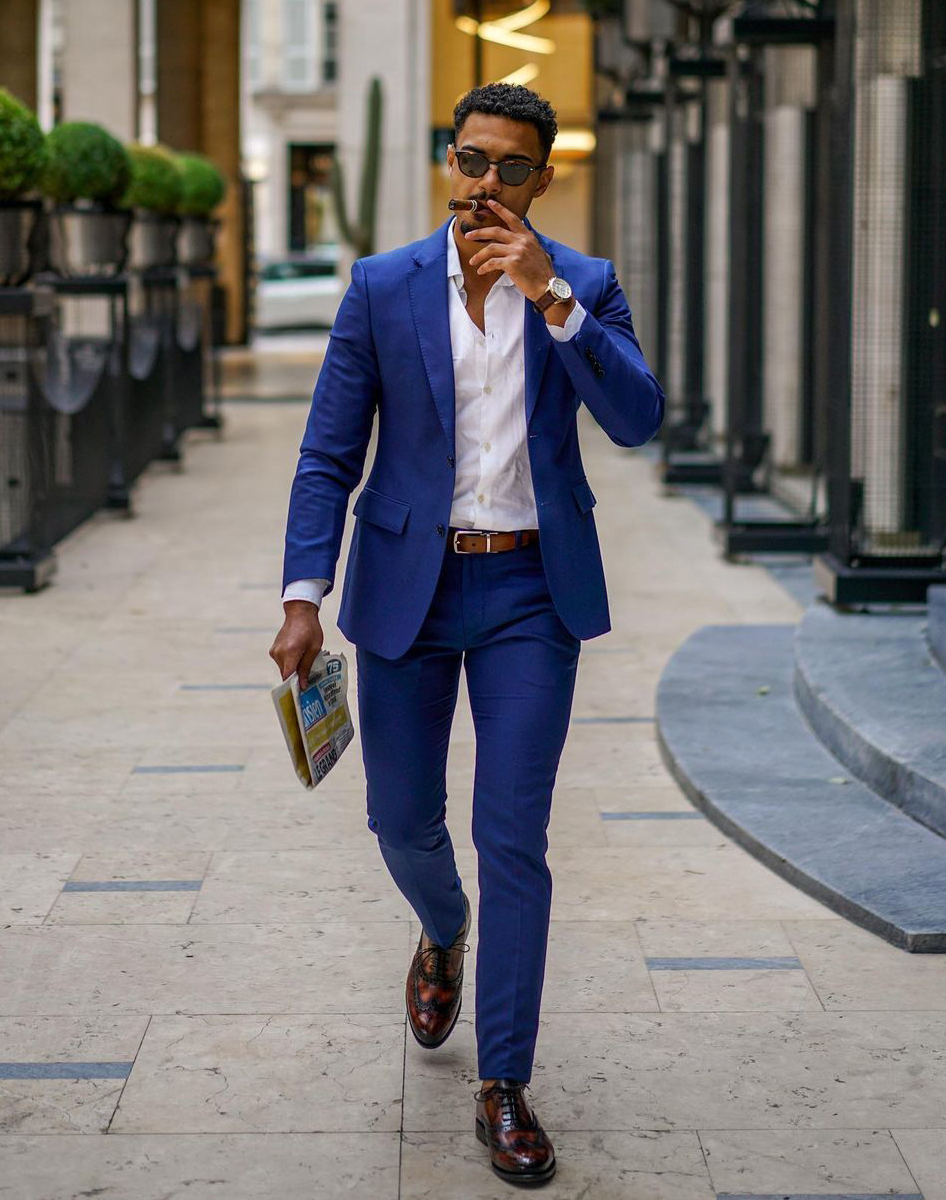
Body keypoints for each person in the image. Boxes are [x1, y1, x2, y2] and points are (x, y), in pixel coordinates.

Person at [269, 82, 664, 1187]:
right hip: (407, 588)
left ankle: (503, 1083)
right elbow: (326, 453)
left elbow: (639, 419)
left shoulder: (581, 283)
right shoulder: (382, 286)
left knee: (513, 839)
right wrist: (303, 596)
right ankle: (440, 930)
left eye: (509, 169)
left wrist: (554, 304)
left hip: (531, 596)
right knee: (400, 821)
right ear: (449, 160)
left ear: (543, 178)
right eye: (468, 160)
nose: (484, 185)